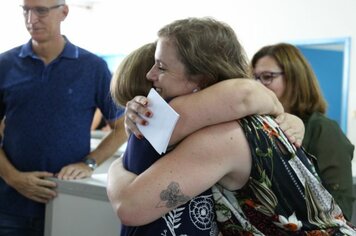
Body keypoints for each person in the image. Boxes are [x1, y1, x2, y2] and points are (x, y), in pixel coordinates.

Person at [107, 17, 356, 235]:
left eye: (161, 67)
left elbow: (131, 208)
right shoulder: (235, 121)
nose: (151, 76)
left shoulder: (225, 135)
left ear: (201, 79)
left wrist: (116, 167)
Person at [0, 0, 127, 235]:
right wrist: (14, 178)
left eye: (41, 10)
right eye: (25, 11)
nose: (31, 19)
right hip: (9, 206)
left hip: (68, 201)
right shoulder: (5, 65)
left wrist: (90, 162)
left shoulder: (93, 67)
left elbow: (122, 126)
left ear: (64, 12)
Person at [251, 42, 355, 220]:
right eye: (255, 78)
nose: (259, 85)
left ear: (294, 78)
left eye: (267, 77)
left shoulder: (323, 129)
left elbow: (341, 207)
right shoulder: (261, 125)